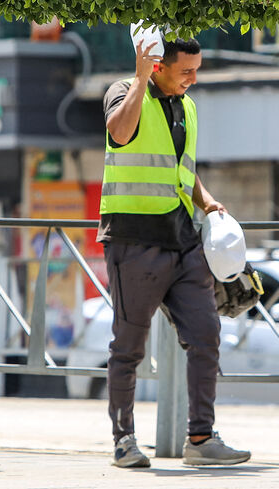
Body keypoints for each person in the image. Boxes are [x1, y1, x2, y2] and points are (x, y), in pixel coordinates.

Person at [99, 34, 250, 468]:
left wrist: (208, 201)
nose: (194, 79)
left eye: (197, 70)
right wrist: (141, 78)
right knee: (128, 346)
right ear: (158, 66)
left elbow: (180, 167)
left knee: (206, 335)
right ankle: (124, 441)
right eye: (186, 71)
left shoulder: (187, 107)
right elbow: (120, 133)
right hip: (134, 240)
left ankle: (200, 439)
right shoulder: (124, 92)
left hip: (183, 241)